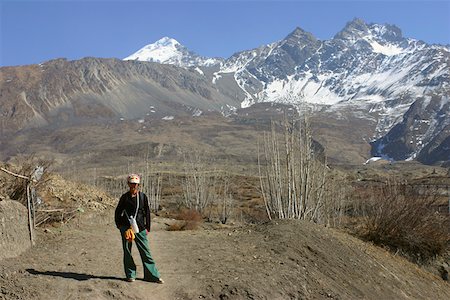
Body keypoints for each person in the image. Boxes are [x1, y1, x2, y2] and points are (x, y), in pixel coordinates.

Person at [114, 173, 163, 283]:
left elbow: (147, 212)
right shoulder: (124, 197)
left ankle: (152, 276)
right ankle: (130, 275)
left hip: (140, 228)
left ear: (139, 185)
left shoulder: (142, 197)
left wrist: (147, 228)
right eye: (131, 184)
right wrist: (119, 225)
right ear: (128, 184)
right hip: (126, 228)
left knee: (146, 252)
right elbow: (118, 211)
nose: (133, 186)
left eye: (135, 184)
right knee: (127, 252)